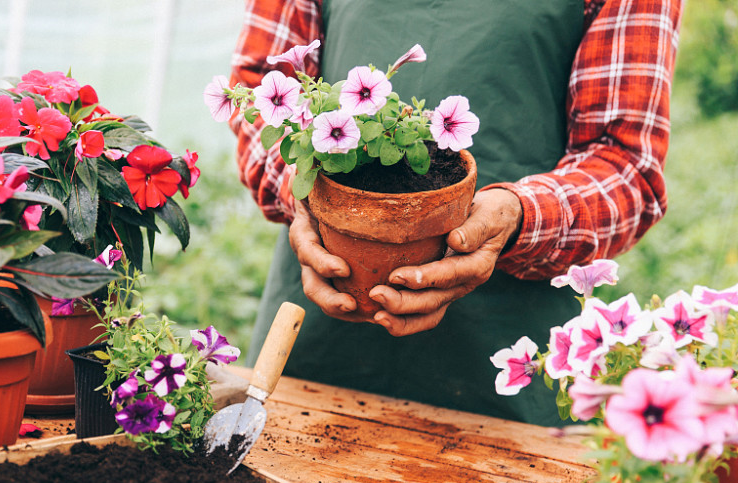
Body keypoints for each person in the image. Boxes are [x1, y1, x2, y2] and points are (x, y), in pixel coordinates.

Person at [229, 0, 683, 425]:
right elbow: (259, 86)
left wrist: (517, 214)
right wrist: (303, 192)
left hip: (508, 353)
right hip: (323, 320)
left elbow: (625, 164)